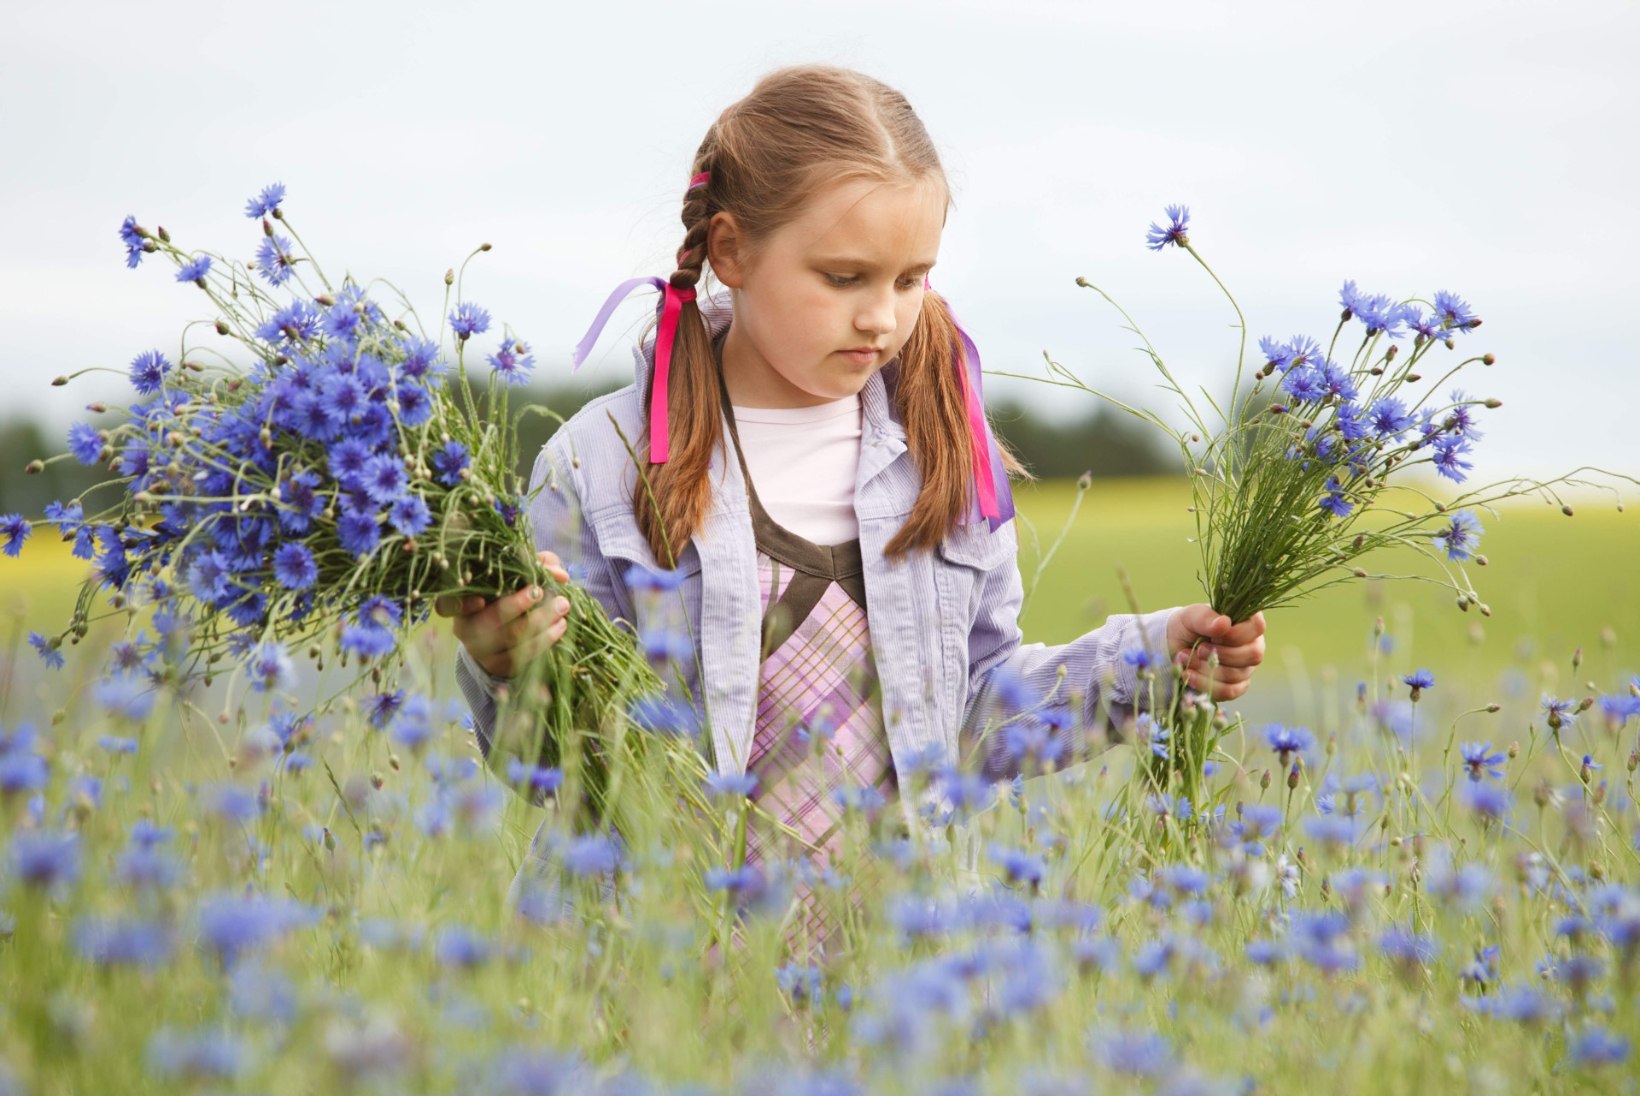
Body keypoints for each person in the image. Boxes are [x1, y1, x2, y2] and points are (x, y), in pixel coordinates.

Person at [437, 63, 1266, 934]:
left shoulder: (944, 454)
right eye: (844, 278)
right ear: (731, 252)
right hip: (660, 968)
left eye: (910, 280)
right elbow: (553, 766)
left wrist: (1147, 661)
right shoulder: (603, 461)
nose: (882, 317)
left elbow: (978, 712)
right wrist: (508, 664)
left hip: (892, 978)